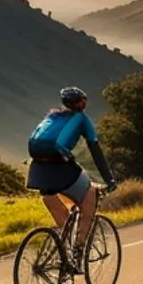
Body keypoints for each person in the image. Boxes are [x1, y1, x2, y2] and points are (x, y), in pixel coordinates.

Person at [26, 86, 116, 271]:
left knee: (61, 214)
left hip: (37, 171)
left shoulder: (52, 116)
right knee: (89, 193)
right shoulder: (82, 120)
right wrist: (109, 180)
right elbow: (96, 151)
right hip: (59, 168)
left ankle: (63, 254)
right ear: (82, 103)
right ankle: (79, 249)